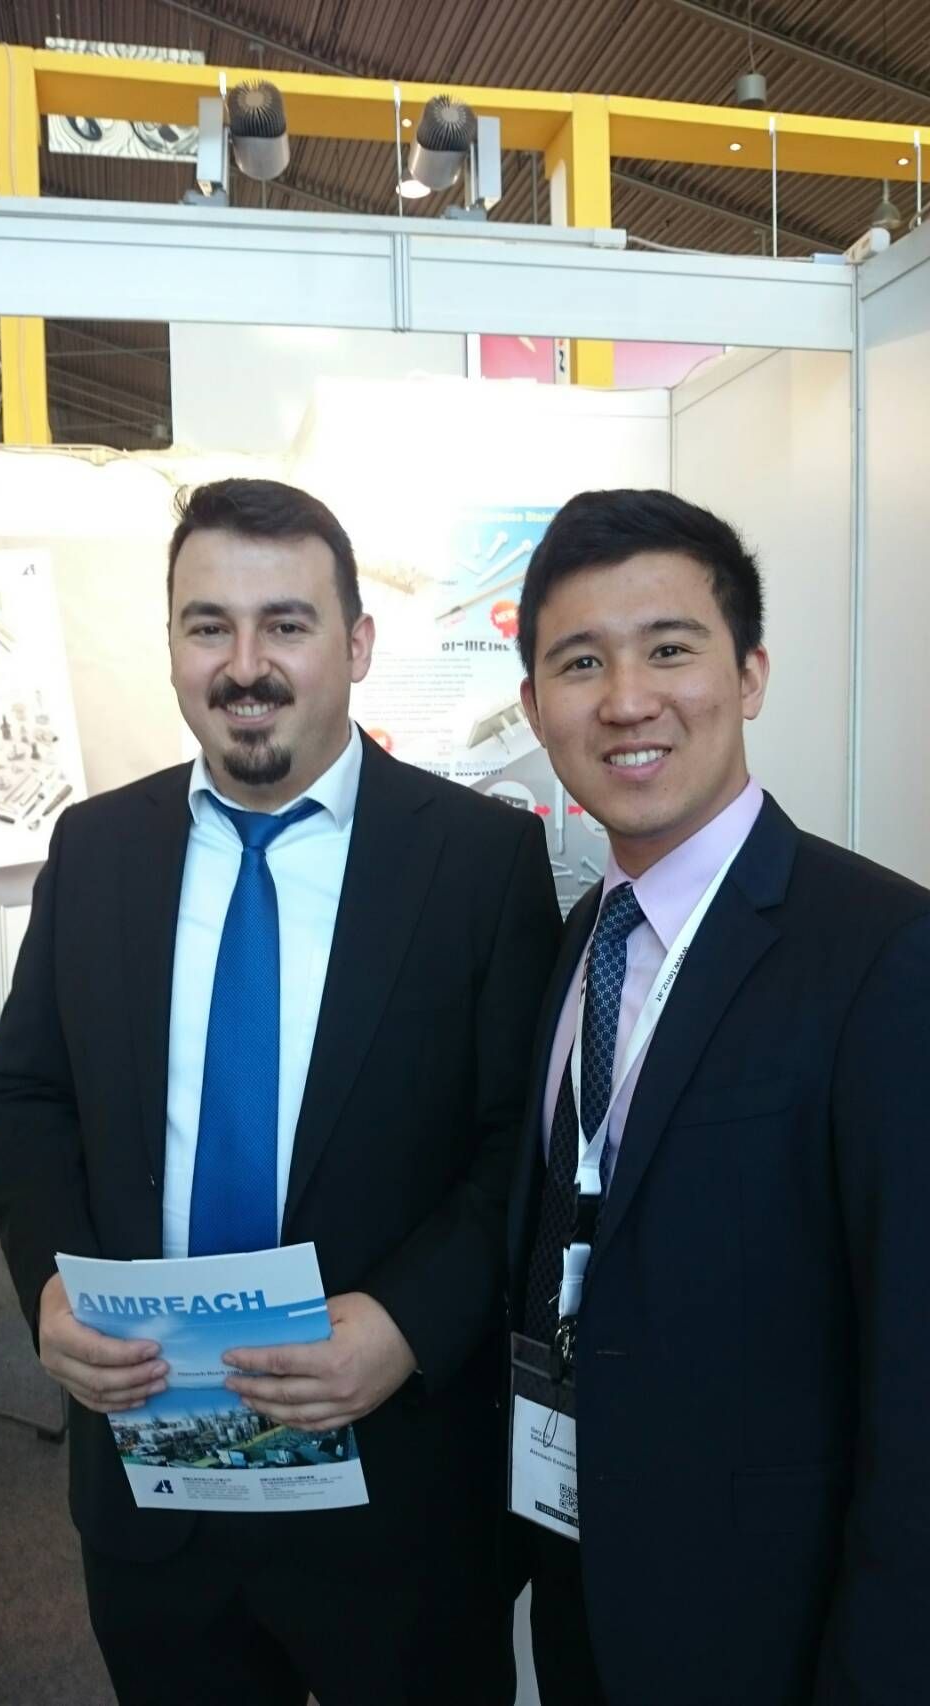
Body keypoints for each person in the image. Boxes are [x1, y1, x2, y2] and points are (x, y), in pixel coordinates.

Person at [0, 478, 561, 1706]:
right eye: (210, 625)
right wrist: (48, 1288)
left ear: (357, 643)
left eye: (286, 623)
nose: (245, 665)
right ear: (173, 643)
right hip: (153, 1489)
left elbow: (520, 1140)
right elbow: (26, 1098)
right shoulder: (97, 847)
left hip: (396, 1494)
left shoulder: (478, 859)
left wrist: (407, 1322)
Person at [506, 488, 930, 1706]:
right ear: (534, 704)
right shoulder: (580, 935)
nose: (626, 699)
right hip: (587, 1583)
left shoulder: (881, 952)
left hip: (774, 1627)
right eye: (581, 661)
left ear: (749, 675)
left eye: (670, 649)